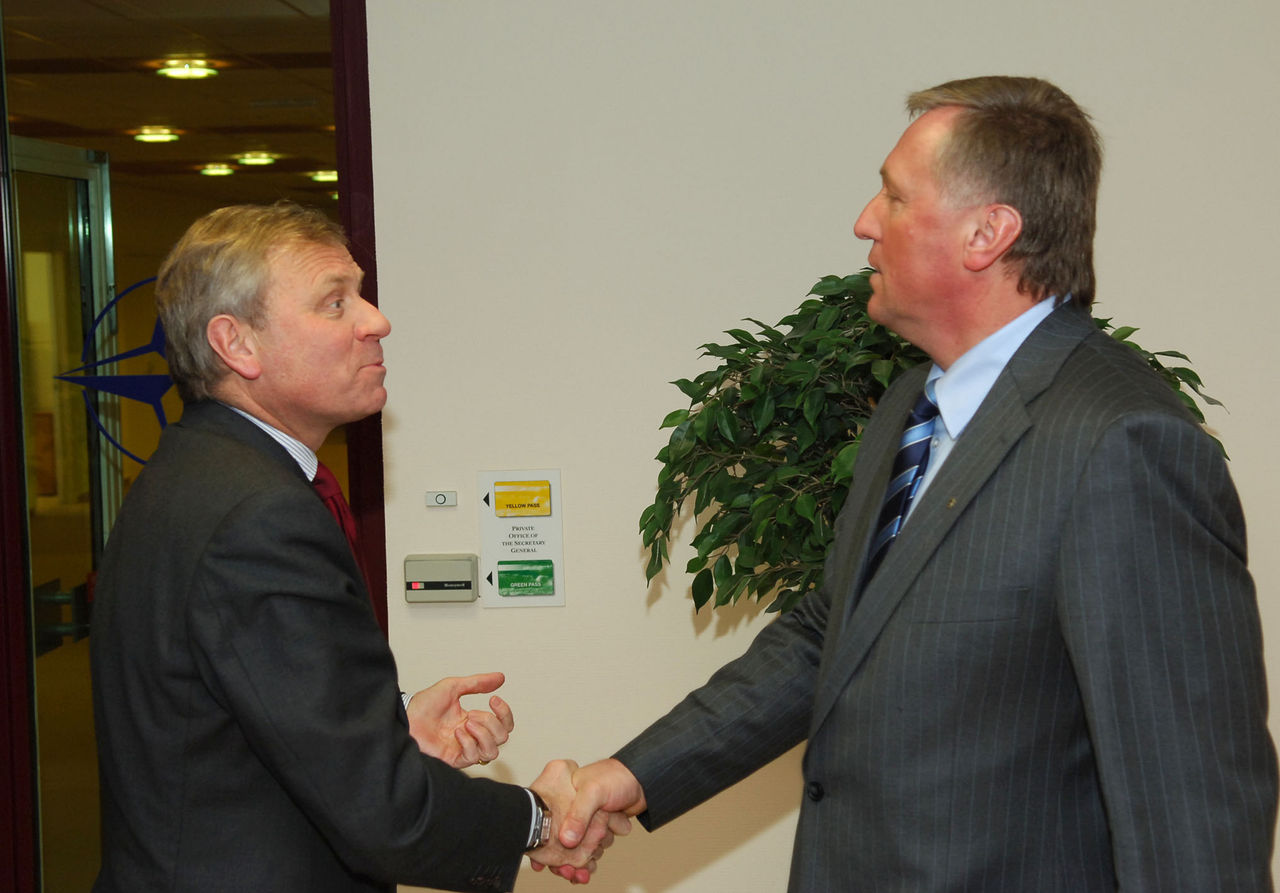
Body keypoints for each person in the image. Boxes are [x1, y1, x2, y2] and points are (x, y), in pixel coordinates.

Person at [550, 76, 1278, 890]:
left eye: (895, 197)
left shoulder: (1122, 443)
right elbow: (833, 634)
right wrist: (639, 771)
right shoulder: (911, 403)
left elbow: (1192, 806)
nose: (865, 220)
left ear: (987, 234)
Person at [90, 201, 621, 892]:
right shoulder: (258, 512)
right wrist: (542, 819)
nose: (376, 321)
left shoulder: (194, 471)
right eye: (335, 302)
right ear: (236, 343)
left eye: (361, 294)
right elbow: (383, 813)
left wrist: (391, 721)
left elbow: (235, 703)